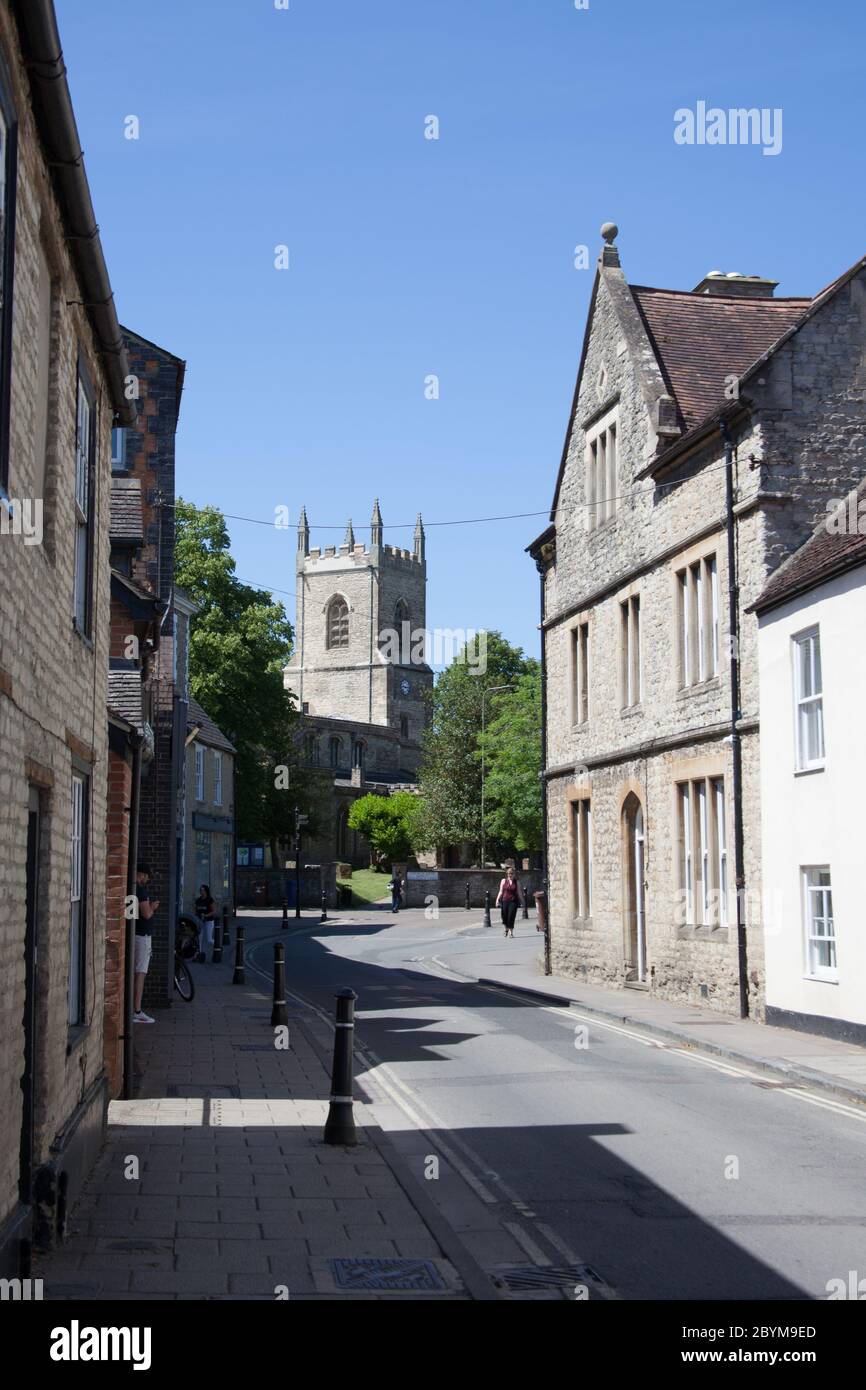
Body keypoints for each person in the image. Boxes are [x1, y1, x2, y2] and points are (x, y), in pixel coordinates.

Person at [134, 863, 160, 1023]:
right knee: (140, 974)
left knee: (136, 973)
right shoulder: (141, 891)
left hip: (137, 935)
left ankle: (134, 1009)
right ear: (142, 874)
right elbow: (147, 914)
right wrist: (152, 906)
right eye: (146, 876)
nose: (147, 879)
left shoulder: (133, 888)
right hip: (142, 936)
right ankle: (137, 1010)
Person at [495, 866, 524, 938]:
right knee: (504, 917)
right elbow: (501, 891)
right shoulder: (503, 881)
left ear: (514, 874)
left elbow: (519, 893)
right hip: (504, 900)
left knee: (511, 916)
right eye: (508, 873)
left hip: (513, 901)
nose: (510, 875)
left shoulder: (517, 882)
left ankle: (511, 932)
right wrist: (497, 900)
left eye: (511, 873)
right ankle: (506, 929)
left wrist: (523, 903)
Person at [195, 884, 216, 962]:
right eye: (200, 890)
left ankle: (217, 946)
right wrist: (196, 918)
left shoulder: (210, 899)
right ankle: (199, 954)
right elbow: (196, 911)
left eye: (203, 890)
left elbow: (213, 911)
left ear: (206, 891)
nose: (201, 891)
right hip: (200, 922)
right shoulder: (198, 900)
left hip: (209, 921)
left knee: (209, 940)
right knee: (199, 939)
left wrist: (206, 915)